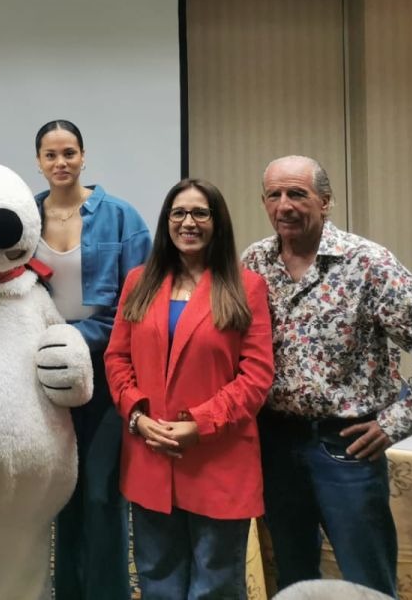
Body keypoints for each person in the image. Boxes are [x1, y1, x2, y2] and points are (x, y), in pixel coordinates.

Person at [243, 155, 412, 595]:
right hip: (274, 442)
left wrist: (394, 423)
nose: (284, 205)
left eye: (297, 194)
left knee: (367, 578)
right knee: (292, 577)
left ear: (325, 202)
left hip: (345, 445)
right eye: (274, 195)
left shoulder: (368, 263)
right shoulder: (254, 262)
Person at [105, 178, 274, 599]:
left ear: (217, 222)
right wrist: (138, 416)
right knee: (157, 577)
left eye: (200, 213)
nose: (188, 222)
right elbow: (117, 359)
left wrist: (200, 424)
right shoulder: (139, 282)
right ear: (166, 222)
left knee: (215, 584)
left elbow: (256, 375)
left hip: (218, 458)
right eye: (178, 213)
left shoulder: (246, 286)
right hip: (150, 455)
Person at [30, 119, 151, 600]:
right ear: (38, 161)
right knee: (57, 495)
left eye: (69, 153)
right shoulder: (24, 217)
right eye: (51, 155)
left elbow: (137, 302)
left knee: (102, 495)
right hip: (40, 375)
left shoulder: (121, 216)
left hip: (104, 371)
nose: (61, 163)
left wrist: (76, 338)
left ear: (84, 157)